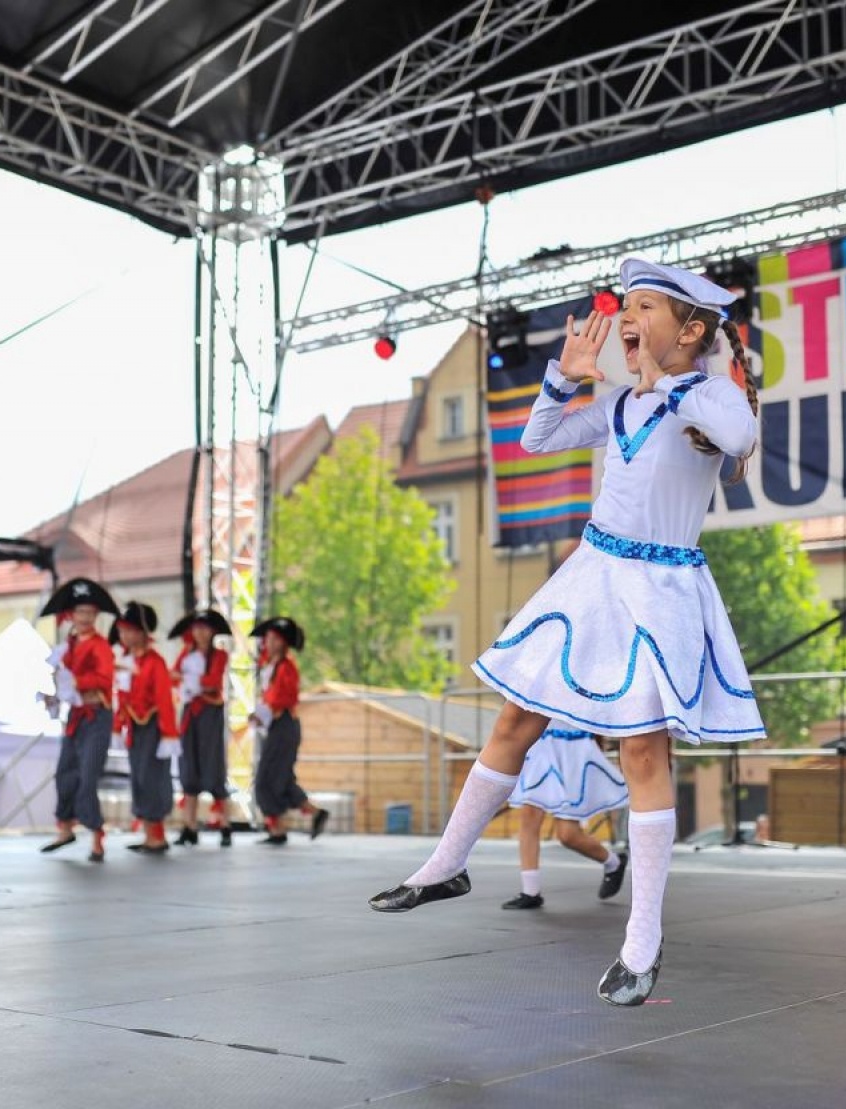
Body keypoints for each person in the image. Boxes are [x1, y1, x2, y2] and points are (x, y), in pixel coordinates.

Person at [369, 257, 763, 1006]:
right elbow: (536, 439)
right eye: (628, 304)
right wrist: (567, 375)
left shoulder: (706, 393)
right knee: (516, 717)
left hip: (661, 586)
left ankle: (641, 944)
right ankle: (446, 864)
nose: (626, 315)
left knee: (644, 746)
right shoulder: (618, 405)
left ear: (687, 328)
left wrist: (662, 383)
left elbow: (739, 433)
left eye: (643, 306)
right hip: (593, 577)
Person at [500, 728, 629, 910]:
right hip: (541, 741)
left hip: (574, 748)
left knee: (568, 835)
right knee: (530, 813)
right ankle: (530, 892)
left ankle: (614, 862)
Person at [39, 578, 118, 863]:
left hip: (96, 715)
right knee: (65, 772)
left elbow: (104, 680)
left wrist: (74, 680)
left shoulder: (100, 646)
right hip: (75, 715)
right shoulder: (67, 646)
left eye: (90, 613)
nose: (84, 618)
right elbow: (64, 684)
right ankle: (65, 828)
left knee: (87, 776)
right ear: (70, 615)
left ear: (96, 616)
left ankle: (97, 836)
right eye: (80, 612)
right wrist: (55, 693)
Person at [249, 617, 329, 845]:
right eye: (269, 638)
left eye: (274, 638)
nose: (269, 642)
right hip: (276, 726)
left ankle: (279, 828)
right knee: (280, 778)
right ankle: (303, 818)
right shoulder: (271, 667)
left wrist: (265, 711)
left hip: (284, 726)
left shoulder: (286, 667)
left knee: (266, 778)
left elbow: (284, 698)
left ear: (283, 643)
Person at [112, 602, 180, 853]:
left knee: (153, 777)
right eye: (122, 630)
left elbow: (164, 699)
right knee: (139, 777)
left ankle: (158, 836)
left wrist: (169, 734)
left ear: (142, 632)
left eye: (130, 630)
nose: (125, 636)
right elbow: (123, 697)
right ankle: (149, 834)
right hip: (135, 727)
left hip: (153, 727)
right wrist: (117, 726)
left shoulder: (155, 662)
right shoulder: (126, 662)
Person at [170, 609, 232, 847]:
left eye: (205, 628)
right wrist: (183, 680)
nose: (200, 633)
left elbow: (213, 681)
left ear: (213, 631)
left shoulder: (219, 656)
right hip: (189, 712)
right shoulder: (186, 654)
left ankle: (225, 824)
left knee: (212, 763)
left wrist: (192, 681)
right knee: (188, 765)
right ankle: (190, 825)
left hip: (209, 712)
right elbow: (174, 675)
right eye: (196, 628)